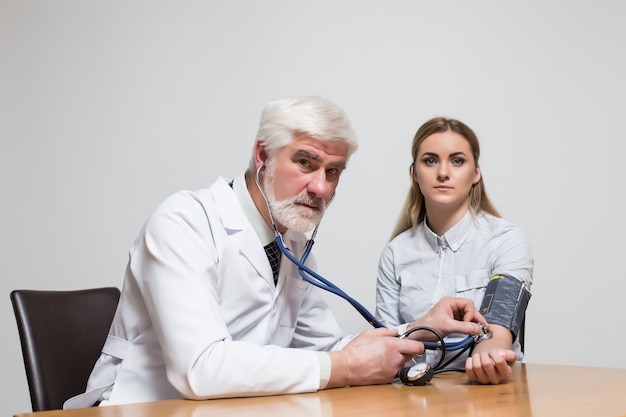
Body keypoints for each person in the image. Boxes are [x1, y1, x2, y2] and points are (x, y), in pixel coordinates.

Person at [65, 98, 487, 409]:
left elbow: (330, 347)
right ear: (262, 156)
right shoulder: (183, 222)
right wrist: (340, 368)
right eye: (306, 163)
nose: (322, 187)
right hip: (136, 406)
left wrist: (416, 329)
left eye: (333, 171)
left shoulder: (291, 244)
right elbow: (202, 367)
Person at [375, 117, 534, 385]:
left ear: (476, 173)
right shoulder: (395, 253)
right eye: (430, 160)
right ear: (414, 173)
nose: (443, 173)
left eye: (457, 161)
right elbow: (386, 343)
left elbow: (500, 325)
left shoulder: (507, 239)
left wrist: (488, 353)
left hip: (491, 393)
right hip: (415, 398)